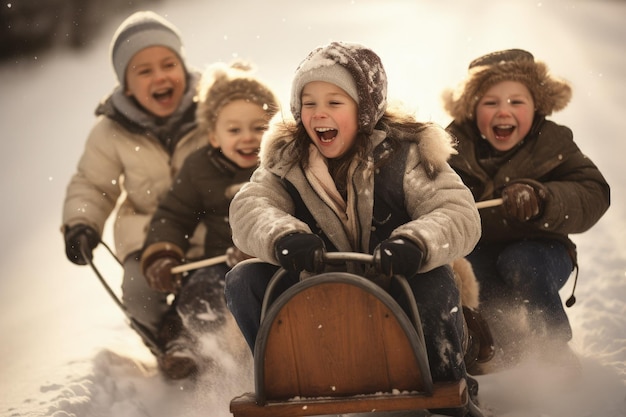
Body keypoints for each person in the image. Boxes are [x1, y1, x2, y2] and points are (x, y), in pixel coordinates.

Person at [224, 42, 483, 417]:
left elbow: (456, 211)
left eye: (335, 102)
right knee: (244, 280)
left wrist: (415, 242)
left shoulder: (405, 154)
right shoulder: (286, 161)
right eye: (309, 103)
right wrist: (284, 236)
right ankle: (287, 380)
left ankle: (447, 390)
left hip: (397, 297)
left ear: (364, 110)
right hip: (319, 307)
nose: (319, 113)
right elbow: (251, 208)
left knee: (435, 280)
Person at [442, 49, 611, 372]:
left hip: (542, 248)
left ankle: (553, 353)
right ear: (471, 109)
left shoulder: (552, 141)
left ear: (537, 106)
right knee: (470, 279)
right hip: (478, 248)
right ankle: (494, 354)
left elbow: (593, 192)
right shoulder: (452, 145)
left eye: (516, 102)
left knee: (521, 263)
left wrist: (544, 198)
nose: (503, 111)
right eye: (490, 102)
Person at [61, 11, 209, 379]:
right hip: (148, 234)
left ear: (184, 68)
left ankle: (220, 342)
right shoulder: (111, 131)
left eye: (168, 64)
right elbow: (92, 184)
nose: (160, 76)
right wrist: (81, 222)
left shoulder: (213, 107)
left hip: (213, 228)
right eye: (143, 71)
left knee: (223, 286)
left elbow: (251, 140)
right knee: (139, 295)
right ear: (126, 85)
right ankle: (168, 347)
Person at [139, 62, 280, 379]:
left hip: (276, 257)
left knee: (280, 295)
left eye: (259, 127)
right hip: (220, 259)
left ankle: (280, 350)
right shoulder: (200, 168)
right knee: (201, 287)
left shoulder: (282, 164)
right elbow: (174, 214)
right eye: (234, 130)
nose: (247, 138)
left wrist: (263, 247)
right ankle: (188, 345)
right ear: (214, 137)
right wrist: (163, 251)